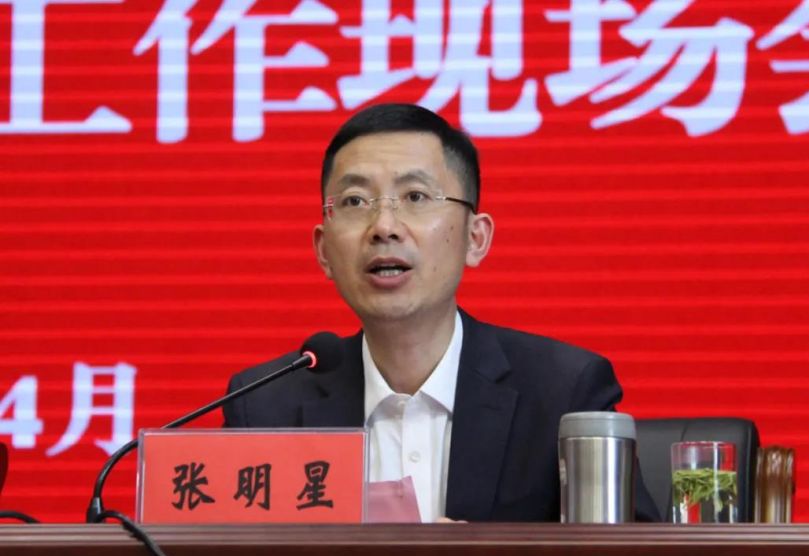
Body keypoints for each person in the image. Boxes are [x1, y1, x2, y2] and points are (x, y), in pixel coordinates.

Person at [223, 103, 659, 522]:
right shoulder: (263, 409)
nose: (384, 227)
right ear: (323, 250)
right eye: (355, 201)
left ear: (475, 238)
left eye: (415, 196)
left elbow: (627, 554)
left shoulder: (563, 395)